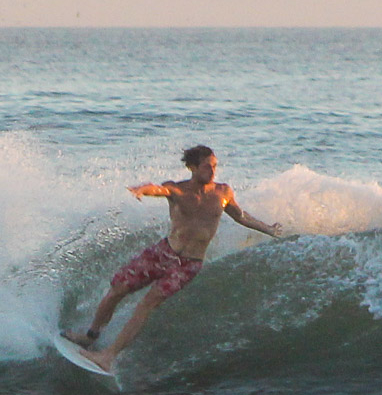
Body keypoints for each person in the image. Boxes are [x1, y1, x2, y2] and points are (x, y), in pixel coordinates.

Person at [64, 146, 281, 371]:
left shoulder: (223, 193)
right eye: (207, 166)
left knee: (147, 303)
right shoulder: (177, 190)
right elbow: (158, 189)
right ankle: (90, 336)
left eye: (215, 166)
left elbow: (240, 216)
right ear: (192, 167)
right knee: (118, 288)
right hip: (163, 252)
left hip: (189, 265)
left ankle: (108, 356)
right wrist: (142, 190)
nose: (213, 171)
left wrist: (268, 228)